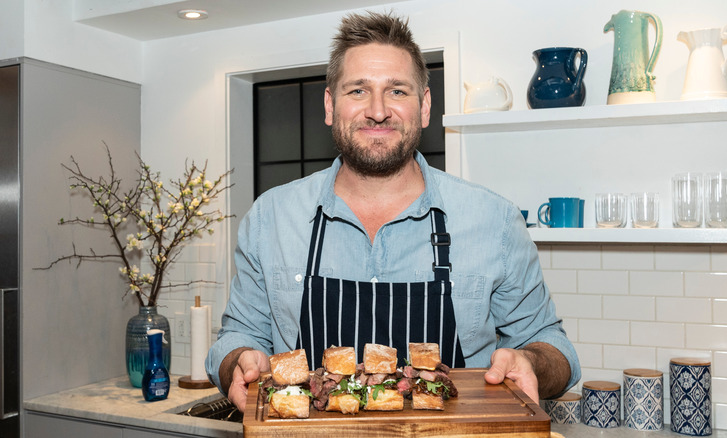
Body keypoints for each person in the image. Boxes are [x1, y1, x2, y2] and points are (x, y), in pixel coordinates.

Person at [206, 11, 580, 412]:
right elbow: (237, 337)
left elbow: (556, 349)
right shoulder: (271, 218)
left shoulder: (495, 221)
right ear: (330, 106)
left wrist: (531, 363)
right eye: (358, 91)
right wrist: (236, 364)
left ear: (424, 106)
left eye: (398, 91)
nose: (378, 110)